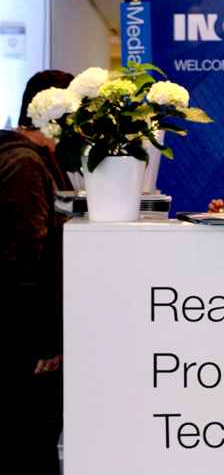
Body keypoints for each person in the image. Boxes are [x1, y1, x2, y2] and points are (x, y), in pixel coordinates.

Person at [1, 69, 73, 475]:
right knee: (28, 445)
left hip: (22, 341)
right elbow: (28, 256)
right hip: (24, 348)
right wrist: (44, 342)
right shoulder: (25, 165)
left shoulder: (26, 159)